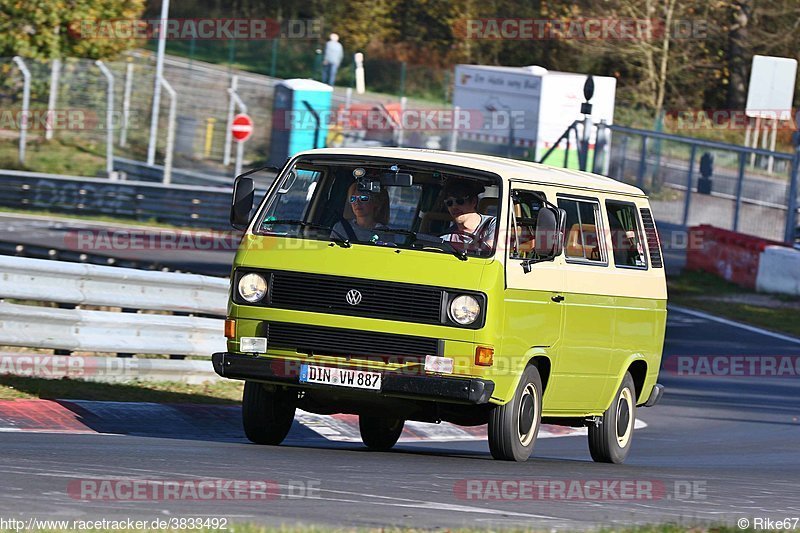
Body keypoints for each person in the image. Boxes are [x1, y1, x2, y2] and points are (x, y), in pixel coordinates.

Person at [439, 179, 496, 251]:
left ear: (473, 201)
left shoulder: (493, 224)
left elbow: (488, 251)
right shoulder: (445, 237)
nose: (454, 207)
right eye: (449, 203)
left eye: (460, 201)